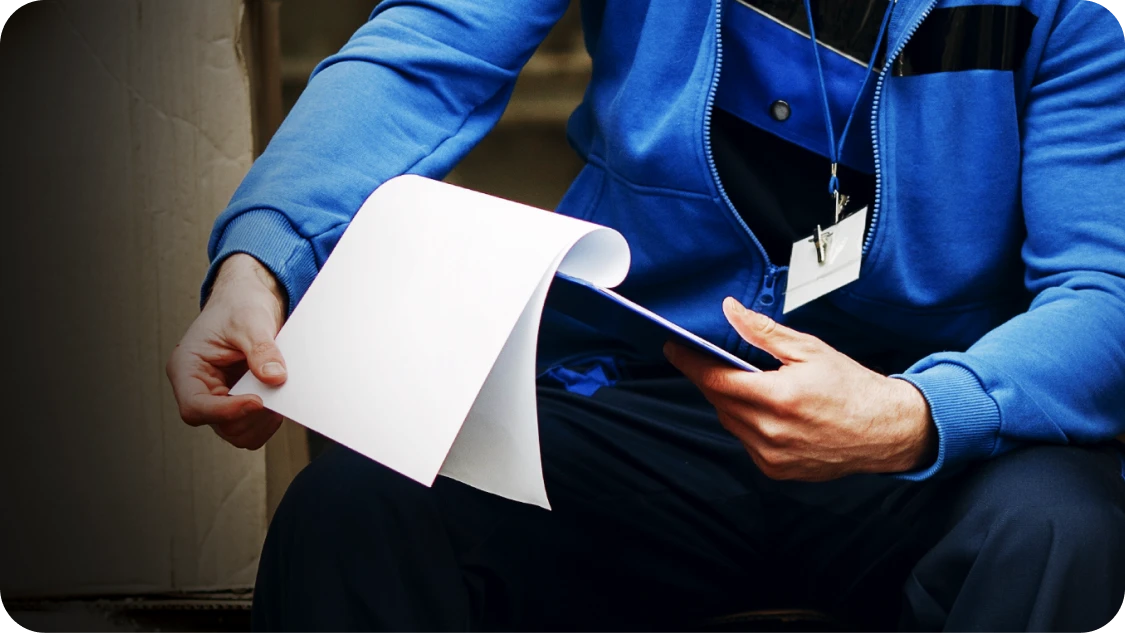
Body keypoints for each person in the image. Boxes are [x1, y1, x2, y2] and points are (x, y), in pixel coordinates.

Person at [166, 0, 1125, 630]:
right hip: (642, 389)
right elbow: (428, 49)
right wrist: (264, 258)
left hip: (926, 422)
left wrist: (915, 416)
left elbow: (1104, 290)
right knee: (355, 509)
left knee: (1062, 533)